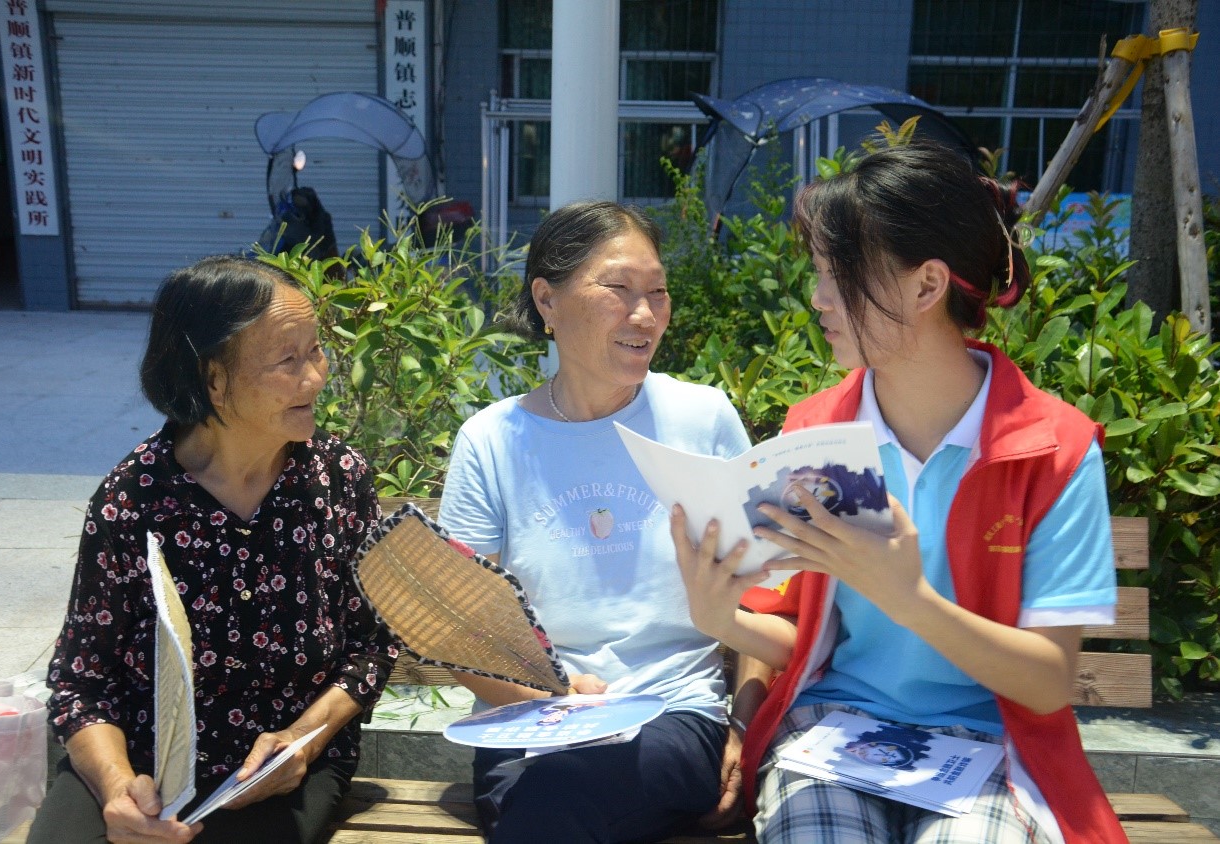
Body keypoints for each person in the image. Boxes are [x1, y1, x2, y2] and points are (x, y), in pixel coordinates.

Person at [670, 143, 1127, 843]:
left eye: (839, 275)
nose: (818, 299)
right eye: (819, 273)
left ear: (927, 285)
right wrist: (719, 619)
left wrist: (909, 598)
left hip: (993, 745)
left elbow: (1047, 683)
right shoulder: (814, 433)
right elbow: (797, 635)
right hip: (830, 733)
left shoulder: (1052, 450)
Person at [30, 256, 398, 844]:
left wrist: (302, 742)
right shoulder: (133, 499)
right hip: (142, 755)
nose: (315, 377)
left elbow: (371, 644)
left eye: (315, 351)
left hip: (278, 764)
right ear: (213, 380)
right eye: (287, 360)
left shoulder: (337, 479)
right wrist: (119, 788)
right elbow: (82, 682)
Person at [438, 200, 754, 843]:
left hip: (672, 715)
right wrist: (551, 699)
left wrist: (745, 727)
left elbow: (760, 594)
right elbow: (461, 634)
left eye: (657, 292)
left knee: (557, 801)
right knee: (553, 797)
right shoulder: (492, 440)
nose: (645, 314)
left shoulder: (702, 419)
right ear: (547, 301)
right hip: (530, 723)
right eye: (619, 289)